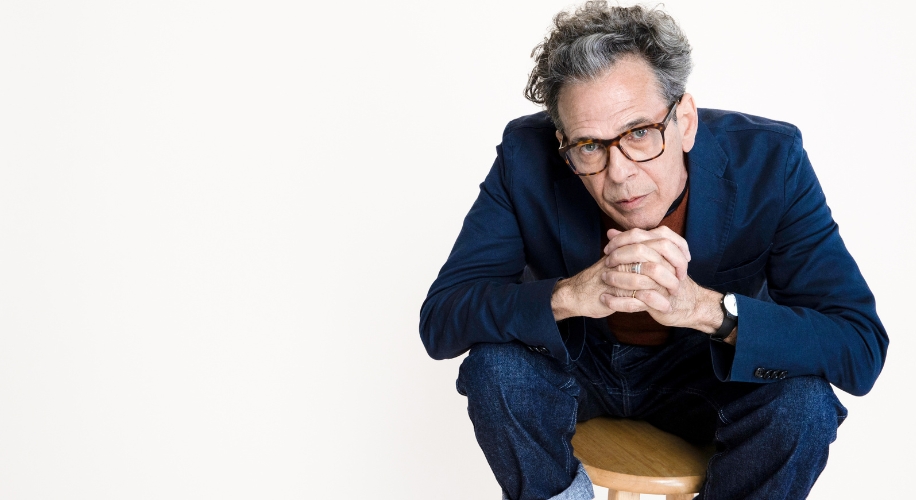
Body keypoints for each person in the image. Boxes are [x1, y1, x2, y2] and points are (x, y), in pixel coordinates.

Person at [419, 2, 888, 499]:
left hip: (705, 376)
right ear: (563, 143)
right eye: (589, 146)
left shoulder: (771, 161)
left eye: (640, 133)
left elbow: (858, 347)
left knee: (803, 404)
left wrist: (708, 311)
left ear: (685, 120)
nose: (619, 174)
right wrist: (570, 295)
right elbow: (442, 320)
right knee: (496, 369)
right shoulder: (525, 155)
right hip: (582, 371)